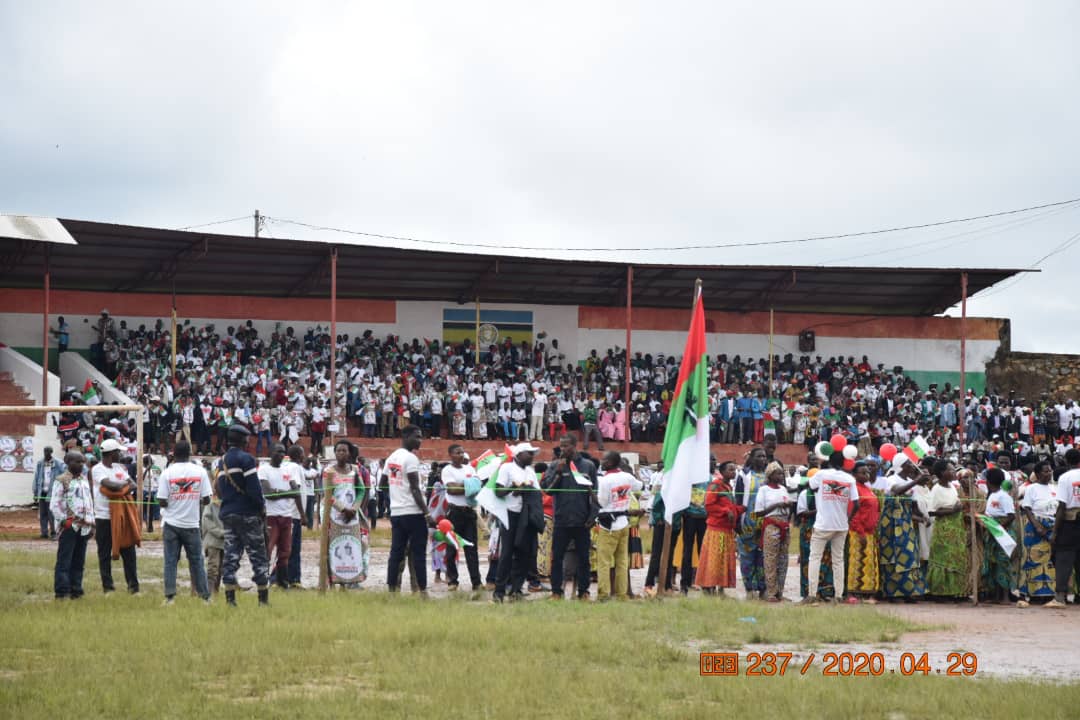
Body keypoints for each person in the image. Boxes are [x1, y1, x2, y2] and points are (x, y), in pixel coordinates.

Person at [218, 424, 270, 607]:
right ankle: (263, 599)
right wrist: (261, 509)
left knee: (231, 556)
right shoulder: (246, 459)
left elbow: (220, 489)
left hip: (228, 513)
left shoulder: (222, 461)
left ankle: (230, 600)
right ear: (243, 440)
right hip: (248, 514)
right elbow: (255, 489)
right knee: (258, 556)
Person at [156, 441, 212, 604]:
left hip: (171, 523)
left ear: (174, 454)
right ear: (190, 454)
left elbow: (161, 501)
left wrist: (175, 501)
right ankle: (205, 598)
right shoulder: (200, 472)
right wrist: (192, 498)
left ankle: (170, 597)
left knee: (170, 561)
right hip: (191, 524)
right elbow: (207, 499)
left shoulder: (167, 473)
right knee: (197, 561)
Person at [541, 434, 596, 600]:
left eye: (566, 446)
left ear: (574, 445)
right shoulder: (554, 465)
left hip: (582, 521)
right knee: (557, 558)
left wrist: (593, 515)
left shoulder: (588, 466)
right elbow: (548, 490)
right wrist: (557, 472)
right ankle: (556, 592)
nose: (563, 449)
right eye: (561, 446)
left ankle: (584, 592)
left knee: (584, 558)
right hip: (561, 520)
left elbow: (595, 493)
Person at [382, 426, 433, 593]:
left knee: (396, 552)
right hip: (413, 512)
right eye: (417, 437)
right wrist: (427, 513)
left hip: (397, 512)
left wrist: (396, 496)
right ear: (405, 436)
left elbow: (382, 484)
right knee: (418, 553)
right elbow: (415, 488)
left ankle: (392, 590)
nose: (420, 441)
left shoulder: (391, 457)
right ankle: (422, 591)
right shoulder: (411, 458)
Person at [804, 452, 858, 604]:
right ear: (843, 462)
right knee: (838, 560)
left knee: (815, 558)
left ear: (829, 461)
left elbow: (810, 486)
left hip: (823, 524)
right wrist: (847, 519)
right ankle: (838, 596)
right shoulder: (849, 479)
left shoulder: (822, 474)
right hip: (841, 525)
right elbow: (856, 503)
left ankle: (812, 594)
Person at [492, 443, 543, 602]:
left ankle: (516, 589)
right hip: (510, 514)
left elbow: (537, 492)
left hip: (526, 515)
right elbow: (498, 491)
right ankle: (499, 591)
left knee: (524, 553)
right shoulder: (507, 468)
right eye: (529, 453)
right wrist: (513, 489)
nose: (532, 456)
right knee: (507, 553)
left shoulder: (530, 471)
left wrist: (527, 489)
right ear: (519, 454)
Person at [91, 438, 140, 594]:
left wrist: (119, 489)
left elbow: (133, 485)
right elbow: (110, 485)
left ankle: (133, 587)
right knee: (104, 554)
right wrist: (123, 487)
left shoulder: (119, 467)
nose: (121, 454)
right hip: (104, 516)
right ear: (111, 453)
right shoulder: (97, 469)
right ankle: (108, 588)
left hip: (122, 516)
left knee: (129, 552)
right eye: (118, 452)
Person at [879, 455, 928, 602]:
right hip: (891, 522)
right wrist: (916, 481)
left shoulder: (910, 483)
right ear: (901, 466)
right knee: (892, 556)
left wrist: (922, 517)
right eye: (909, 463)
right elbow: (896, 491)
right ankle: (892, 593)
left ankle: (908, 591)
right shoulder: (891, 479)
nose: (912, 466)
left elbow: (913, 506)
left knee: (908, 555)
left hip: (906, 523)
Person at [323, 440, 370, 587]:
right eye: (338, 450)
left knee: (353, 545)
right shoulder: (328, 471)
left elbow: (361, 490)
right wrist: (343, 509)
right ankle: (333, 580)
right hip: (335, 516)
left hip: (353, 517)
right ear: (334, 453)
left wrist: (354, 509)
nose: (341, 453)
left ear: (349, 453)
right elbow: (327, 494)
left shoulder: (355, 470)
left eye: (344, 451)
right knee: (333, 546)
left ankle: (351, 580)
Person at [595, 451, 640, 600]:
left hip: (608, 526)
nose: (602, 462)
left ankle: (603, 594)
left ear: (610, 462)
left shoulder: (605, 481)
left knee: (604, 561)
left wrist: (591, 494)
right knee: (622, 561)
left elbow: (602, 503)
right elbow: (639, 486)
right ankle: (622, 594)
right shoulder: (627, 477)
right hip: (624, 523)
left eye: (604, 460)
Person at [926, 460, 972, 601]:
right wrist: (952, 510)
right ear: (942, 473)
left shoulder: (952, 486)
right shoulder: (936, 489)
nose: (953, 473)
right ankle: (940, 592)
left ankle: (955, 591)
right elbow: (931, 511)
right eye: (950, 470)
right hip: (944, 528)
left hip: (956, 527)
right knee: (943, 560)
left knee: (956, 558)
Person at [50, 450, 94, 600]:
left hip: (84, 527)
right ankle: (62, 592)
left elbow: (89, 502)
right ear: (68, 462)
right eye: (78, 462)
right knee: (64, 561)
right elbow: (54, 504)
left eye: (82, 462)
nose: (81, 465)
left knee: (79, 561)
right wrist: (64, 521)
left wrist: (92, 524)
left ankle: (76, 590)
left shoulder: (84, 480)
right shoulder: (61, 480)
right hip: (69, 527)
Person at [259, 444, 301, 590]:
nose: (281, 455)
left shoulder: (287, 470)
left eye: (283, 452)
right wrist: (286, 492)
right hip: (271, 515)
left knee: (285, 550)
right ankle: (263, 580)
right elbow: (268, 494)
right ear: (271, 452)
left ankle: (282, 582)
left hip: (287, 515)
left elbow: (296, 492)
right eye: (278, 452)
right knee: (268, 548)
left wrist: (278, 492)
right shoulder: (264, 470)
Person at [442, 444, 483, 591]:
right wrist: (469, 486)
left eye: (462, 452)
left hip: (469, 512)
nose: (461, 455)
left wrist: (462, 486)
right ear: (450, 454)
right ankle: (453, 581)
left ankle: (476, 582)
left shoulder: (470, 469)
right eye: (457, 452)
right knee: (451, 548)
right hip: (454, 513)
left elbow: (478, 487)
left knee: (471, 549)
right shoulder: (447, 470)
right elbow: (451, 490)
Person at [697, 461, 738, 595]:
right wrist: (725, 511)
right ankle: (708, 585)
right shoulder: (715, 485)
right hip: (716, 528)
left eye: (734, 470)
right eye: (730, 470)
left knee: (723, 558)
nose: (733, 472)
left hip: (727, 528)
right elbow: (708, 505)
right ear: (722, 472)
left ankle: (721, 586)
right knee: (714, 558)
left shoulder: (729, 486)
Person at [1018, 460, 1056, 604]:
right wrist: (1037, 526)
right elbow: (1027, 508)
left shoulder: (1055, 488)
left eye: (1050, 470)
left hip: (1052, 526)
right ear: (1038, 474)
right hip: (1035, 527)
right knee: (1033, 559)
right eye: (1046, 471)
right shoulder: (1032, 488)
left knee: (1049, 560)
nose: (1049, 473)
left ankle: (1048, 594)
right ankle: (1033, 593)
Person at [754, 461, 792, 602]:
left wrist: (788, 505)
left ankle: (780, 592)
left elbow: (788, 506)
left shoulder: (783, 489)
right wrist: (776, 505)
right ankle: (771, 592)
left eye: (782, 473)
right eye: (778, 473)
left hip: (784, 525)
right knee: (770, 559)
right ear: (770, 475)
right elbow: (758, 513)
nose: (781, 476)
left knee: (783, 560)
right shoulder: (764, 490)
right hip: (771, 525)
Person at [845, 460, 881, 604]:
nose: (867, 474)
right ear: (854, 474)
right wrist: (860, 532)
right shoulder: (855, 489)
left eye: (867, 472)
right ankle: (852, 592)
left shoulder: (867, 488)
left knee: (869, 563)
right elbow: (854, 513)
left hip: (870, 532)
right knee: (857, 562)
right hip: (858, 531)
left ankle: (867, 593)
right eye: (863, 472)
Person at [796, 472, 835, 601]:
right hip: (809, 530)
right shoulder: (805, 494)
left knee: (826, 559)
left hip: (826, 527)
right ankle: (809, 592)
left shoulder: (828, 493)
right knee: (808, 559)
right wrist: (818, 511)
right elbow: (801, 513)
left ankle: (825, 592)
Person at [735, 447, 767, 597]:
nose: (762, 459)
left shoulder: (769, 475)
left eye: (764, 456)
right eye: (759, 456)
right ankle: (749, 588)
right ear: (752, 458)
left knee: (763, 557)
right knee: (747, 556)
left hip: (765, 523)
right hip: (747, 522)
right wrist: (737, 522)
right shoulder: (744, 475)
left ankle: (763, 588)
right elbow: (738, 498)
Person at [1049, 449, 1080, 608]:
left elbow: (1062, 506)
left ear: (1066, 461)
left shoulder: (1065, 478)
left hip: (1070, 522)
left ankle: (1060, 597)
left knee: (1064, 558)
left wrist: (1055, 531)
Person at [981, 468, 1015, 604]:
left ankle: (1006, 596)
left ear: (988, 481)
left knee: (1003, 562)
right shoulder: (991, 495)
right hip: (992, 530)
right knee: (992, 563)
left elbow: (1011, 516)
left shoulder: (1003, 496)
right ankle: (996, 595)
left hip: (1002, 532)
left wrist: (997, 528)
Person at [283, 445, 308, 588]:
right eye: (303, 453)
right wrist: (303, 514)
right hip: (293, 514)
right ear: (299, 455)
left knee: (292, 548)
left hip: (292, 514)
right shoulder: (295, 468)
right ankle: (281, 579)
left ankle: (293, 579)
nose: (304, 456)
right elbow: (295, 490)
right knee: (290, 548)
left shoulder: (289, 467)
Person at [33, 447, 65, 539]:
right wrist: (35, 492)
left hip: (53, 492)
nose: (46, 453)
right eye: (45, 451)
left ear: (51, 452)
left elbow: (64, 474)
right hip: (42, 491)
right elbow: (36, 477)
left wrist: (61, 488)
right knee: (43, 513)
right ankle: (44, 532)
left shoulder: (58, 463)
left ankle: (54, 532)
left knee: (52, 513)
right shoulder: (40, 463)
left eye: (48, 451)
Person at [201, 475, 225, 594]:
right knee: (213, 566)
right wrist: (220, 532)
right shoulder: (210, 504)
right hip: (213, 541)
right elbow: (206, 521)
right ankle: (209, 591)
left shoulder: (229, 503)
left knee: (222, 567)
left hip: (225, 541)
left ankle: (216, 590)